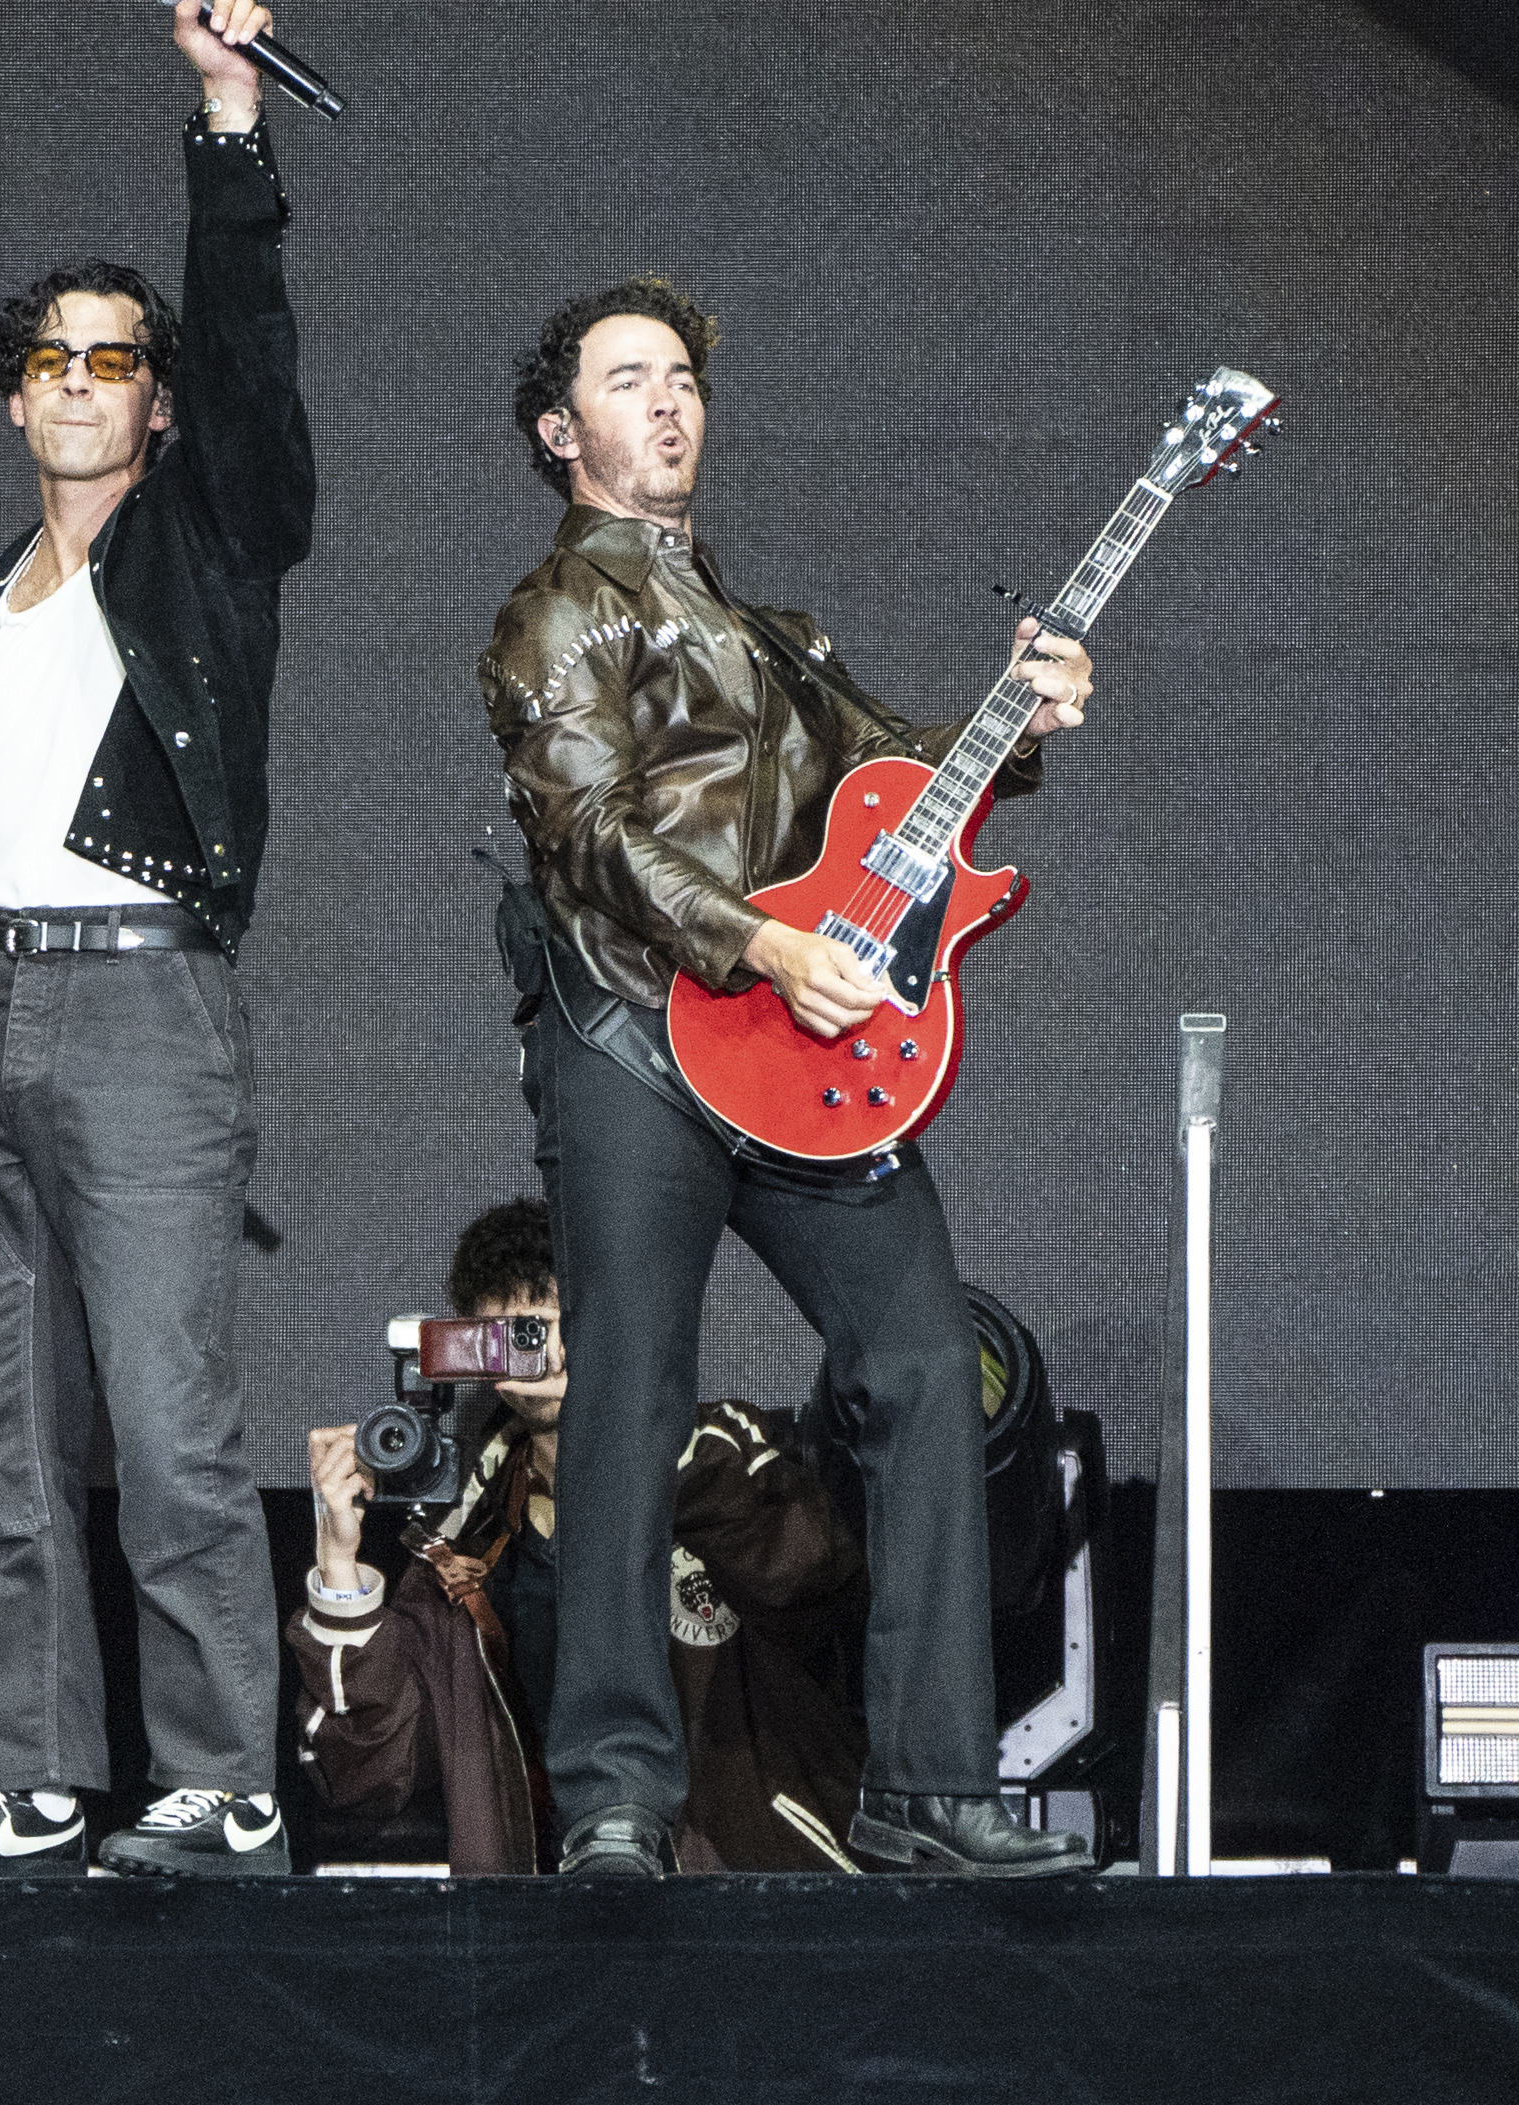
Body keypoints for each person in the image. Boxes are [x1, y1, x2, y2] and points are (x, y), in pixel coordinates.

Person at [0, 0, 319, 1880]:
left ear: (155, 408)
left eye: (123, 361)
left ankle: (222, 1778)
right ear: (15, 403)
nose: (90, 385)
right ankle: (29, 1776)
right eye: (57, 362)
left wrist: (224, 123)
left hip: (142, 1012)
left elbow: (257, 379)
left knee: (170, 1426)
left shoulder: (205, 565)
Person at [478, 279, 1096, 1878]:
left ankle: (930, 1784)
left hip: (802, 1046)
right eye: (628, 379)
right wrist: (754, 943)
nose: (668, 402)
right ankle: (615, 1790)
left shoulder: (776, 638)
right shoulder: (555, 613)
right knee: (629, 1388)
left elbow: (912, 783)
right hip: (635, 1030)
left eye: (681, 375)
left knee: (917, 1368)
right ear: (564, 433)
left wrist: (1016, 722)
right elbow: (588, 829)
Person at [291, 1198, 871, 1874]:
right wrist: (338, 1562)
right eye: (523, 1331)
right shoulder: (463, 1551)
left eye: (574, 1322)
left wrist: (650, 1441)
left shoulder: (720, 1457)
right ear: (478, 1352)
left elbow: (816, 1580)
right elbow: (369, 1775)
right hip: (562, 1927)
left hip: (748, 1909)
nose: (556, 1350)